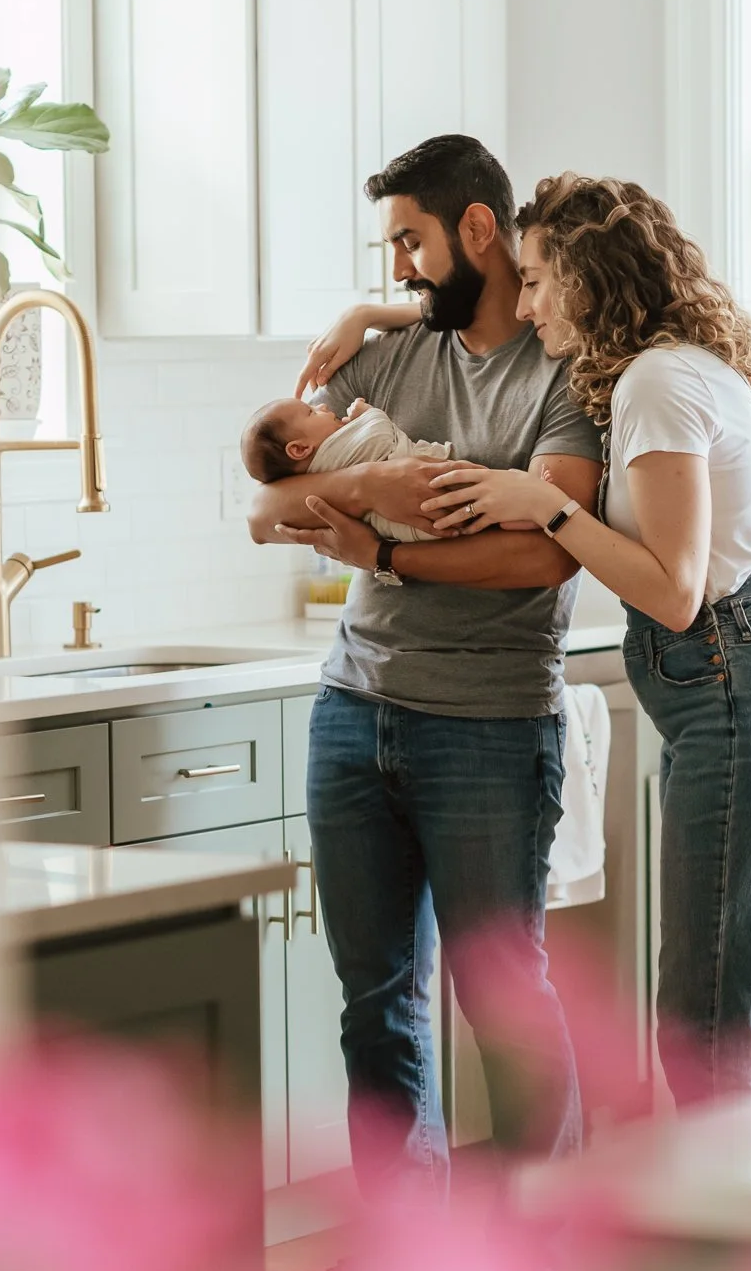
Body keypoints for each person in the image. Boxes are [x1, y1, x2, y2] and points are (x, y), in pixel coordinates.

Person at [326, 174, 751, 1105]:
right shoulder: (673, 371)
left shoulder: (654, 383)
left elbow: (676, 593)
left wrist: (547, 505)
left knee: (702, 1027)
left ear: (583, 277)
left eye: (535, 281)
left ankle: (708, 1247)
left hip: (744, 700)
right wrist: (379, 309)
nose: (523, 306)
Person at [247, 134, 604, 1195]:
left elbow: (544, 552)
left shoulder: (565, 375)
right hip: (353, 709)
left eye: (410, 239)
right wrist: (374, 494)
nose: (396, 264)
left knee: (504, 999)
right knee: (375, 1000)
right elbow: (269, 499)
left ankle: (548, 1244)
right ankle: (406, 1259)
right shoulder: (383, 355)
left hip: (489, 725)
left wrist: (388, 549)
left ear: (478, 230)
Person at [240, 396, 539, 542]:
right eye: (310, 411)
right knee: (463, 491)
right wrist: (367, 417)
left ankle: (520, 511)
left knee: (476, 503)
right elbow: (259, 517)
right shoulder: (336, 448)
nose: (324, 407)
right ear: (300, 449)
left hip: (417, 536)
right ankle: (527, 505)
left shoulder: (320, 459)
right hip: (417, 521)